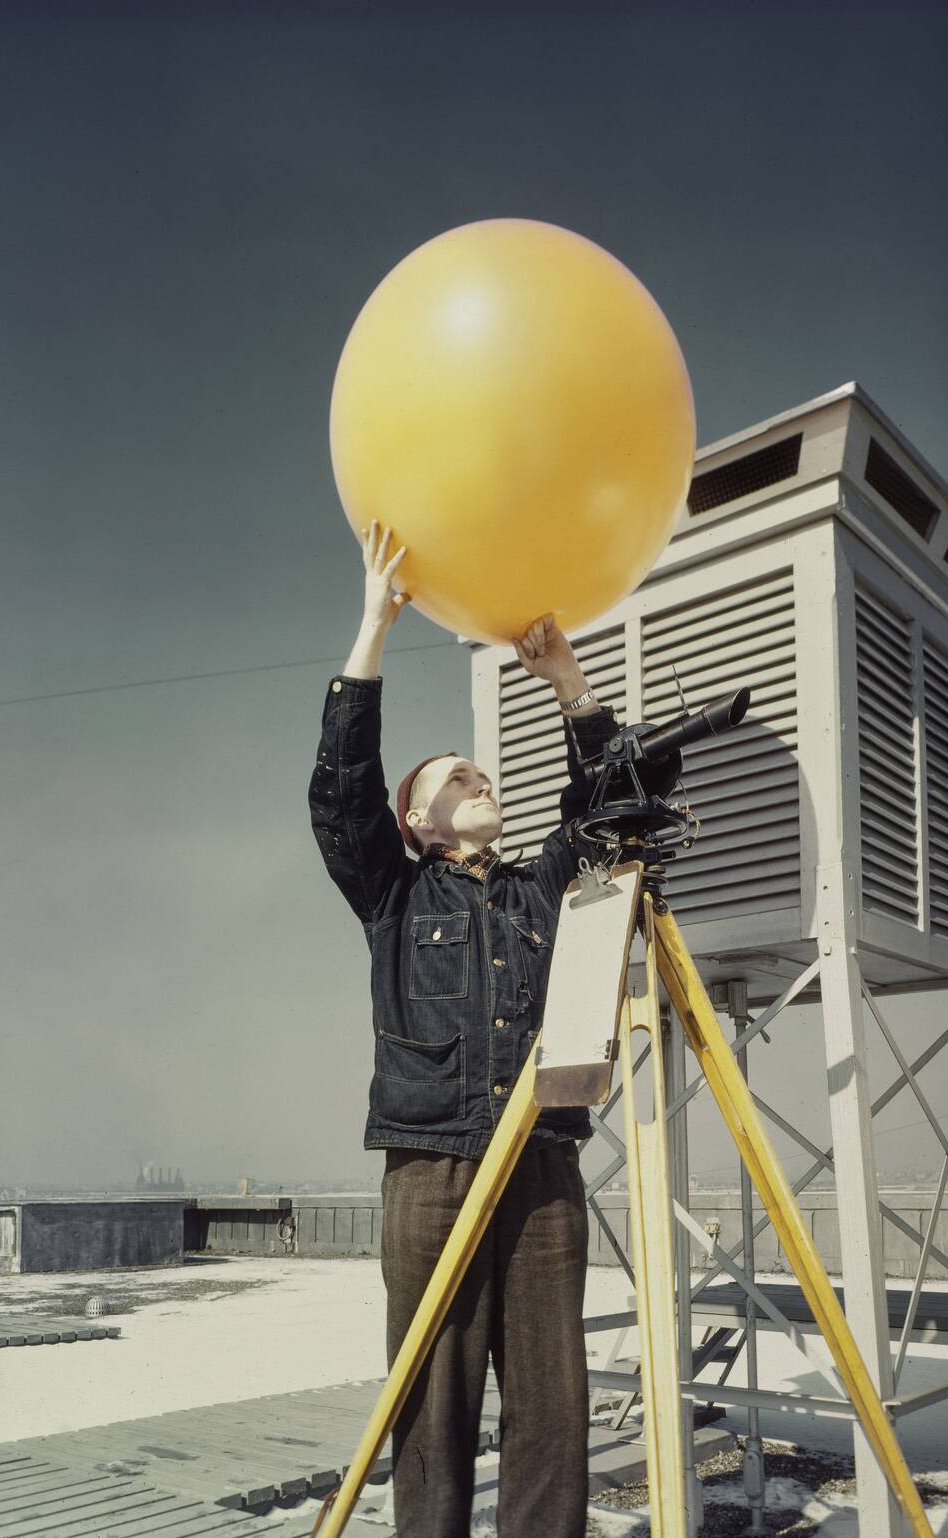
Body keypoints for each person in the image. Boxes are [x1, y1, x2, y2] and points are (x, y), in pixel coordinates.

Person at [308, 520, 619, 1538]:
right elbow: (341, 790)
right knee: (432, 1414)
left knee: (552, 1411)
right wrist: (374, 624)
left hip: (540, 1167)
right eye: (454, 778)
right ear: (419, 823)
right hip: (430, 1167)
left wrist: (569, 680)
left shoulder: (537, 888)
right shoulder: (393, 893)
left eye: (482, 772)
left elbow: (617, 807)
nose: (479, 778)